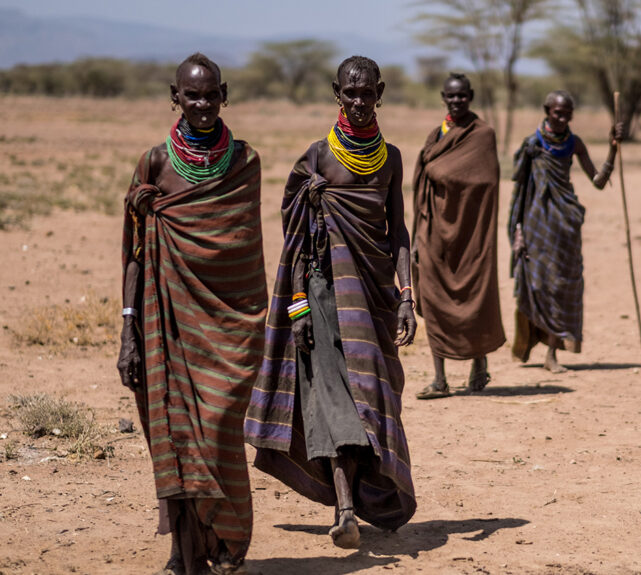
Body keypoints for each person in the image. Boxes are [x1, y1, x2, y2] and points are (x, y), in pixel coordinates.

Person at [245, 55, 417, 550]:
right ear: (335, 93)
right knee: (332, 398)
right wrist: (297, 309)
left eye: (367, 93)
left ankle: (365, 493)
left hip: (374, 303)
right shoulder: (317, 157)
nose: (359, 102)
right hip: (321, 296)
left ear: (380, 92)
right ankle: (344, 506)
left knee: (373, 399)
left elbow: (398, 232)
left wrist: (406, 296)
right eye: (350, 93)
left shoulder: (392, 158)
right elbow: (294, 237)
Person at [117, 53, 267, 575]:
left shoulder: (245, 162)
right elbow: (135, 254)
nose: (201, 105)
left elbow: (246, 257)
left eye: (210, 95)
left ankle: (226, 544)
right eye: (191, 95)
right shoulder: (154, 165)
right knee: (176, 435)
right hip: (168, 329)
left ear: (224, 94)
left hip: (230, 331)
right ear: (174, 96)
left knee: (221, 428)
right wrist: (128, 330)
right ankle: (183, 554)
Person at [508, 90, 623, 373]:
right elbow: (520, 192)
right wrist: (519, 232)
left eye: (568, 113)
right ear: (547, 110)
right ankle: (530, 343)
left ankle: (552, 354)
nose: (562, 117)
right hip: (537, 224)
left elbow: (597, 180)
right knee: (537, 284)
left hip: (565, 225)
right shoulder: (532, 144)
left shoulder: (574, 143)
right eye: (558, 112)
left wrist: (612, 148)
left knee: (562, 285)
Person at [411, 73, 505, 400]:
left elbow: (486, 182)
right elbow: (423, 182)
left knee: (473, 296)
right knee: (435, 299)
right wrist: (414, 239)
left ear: (471, 96)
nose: (457, 101)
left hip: (471, 233)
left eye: (462, 96)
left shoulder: (483, 135)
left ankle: (479, 363)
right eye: (451, 97)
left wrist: (446, 173)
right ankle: (439, 379)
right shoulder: (436, 135)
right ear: (443, 97)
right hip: (434, 230)